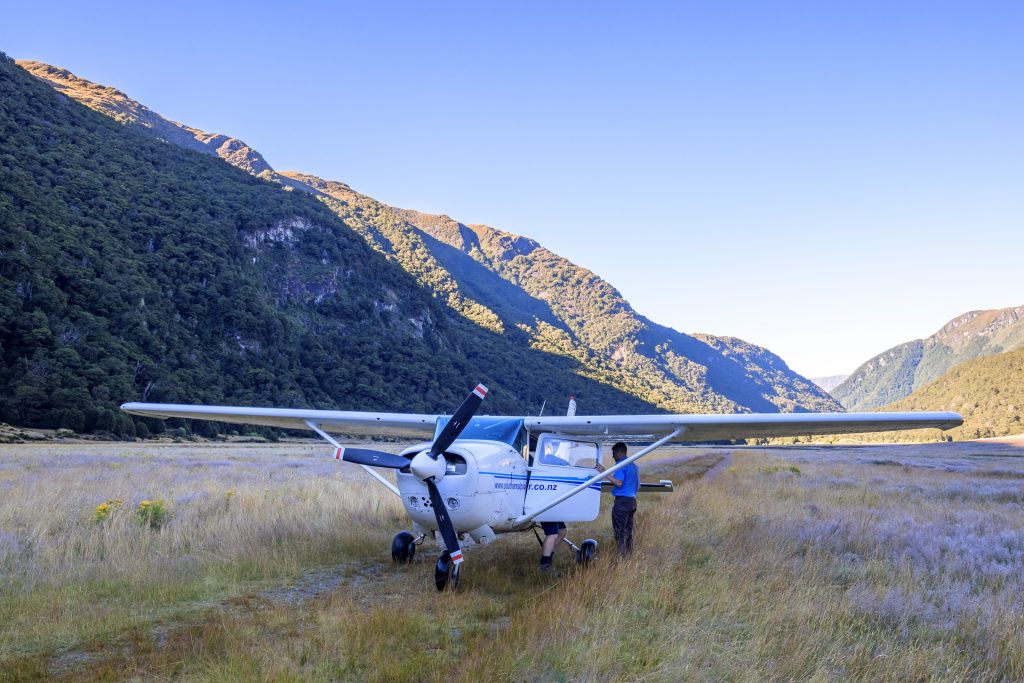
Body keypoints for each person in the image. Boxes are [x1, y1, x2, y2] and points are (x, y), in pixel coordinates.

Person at [598, 441, 639, 556]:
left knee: (619, 531)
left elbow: (619, 482)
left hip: (622, 502)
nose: (613, 456)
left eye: (614, 453)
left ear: (621, 452)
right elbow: (637, 485)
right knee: (628, 530)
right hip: (632, 501)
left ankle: (621, 557)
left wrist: (603, 472)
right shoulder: (634, 466)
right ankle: (629, 553)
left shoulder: (621, 465)